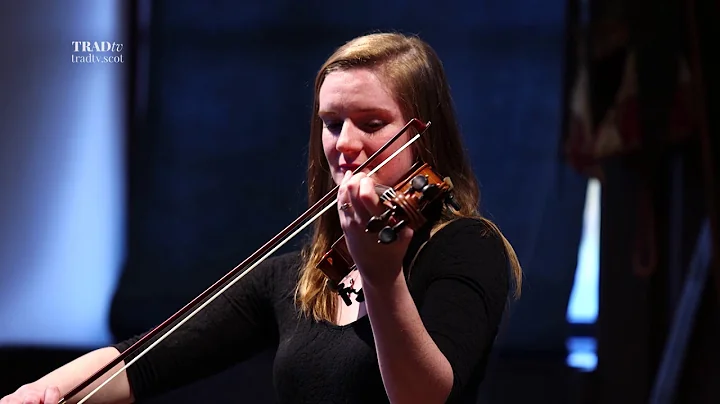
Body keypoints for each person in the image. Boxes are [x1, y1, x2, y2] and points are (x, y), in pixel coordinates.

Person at [1, 32, 522, 404]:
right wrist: (43, 392)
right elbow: (150, 359)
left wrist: (382, 279)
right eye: (332, 123)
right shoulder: (301, 274)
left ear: (422, 134)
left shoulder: (465, 247)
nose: (345, 145)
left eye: (371, 123)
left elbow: (423, 398)